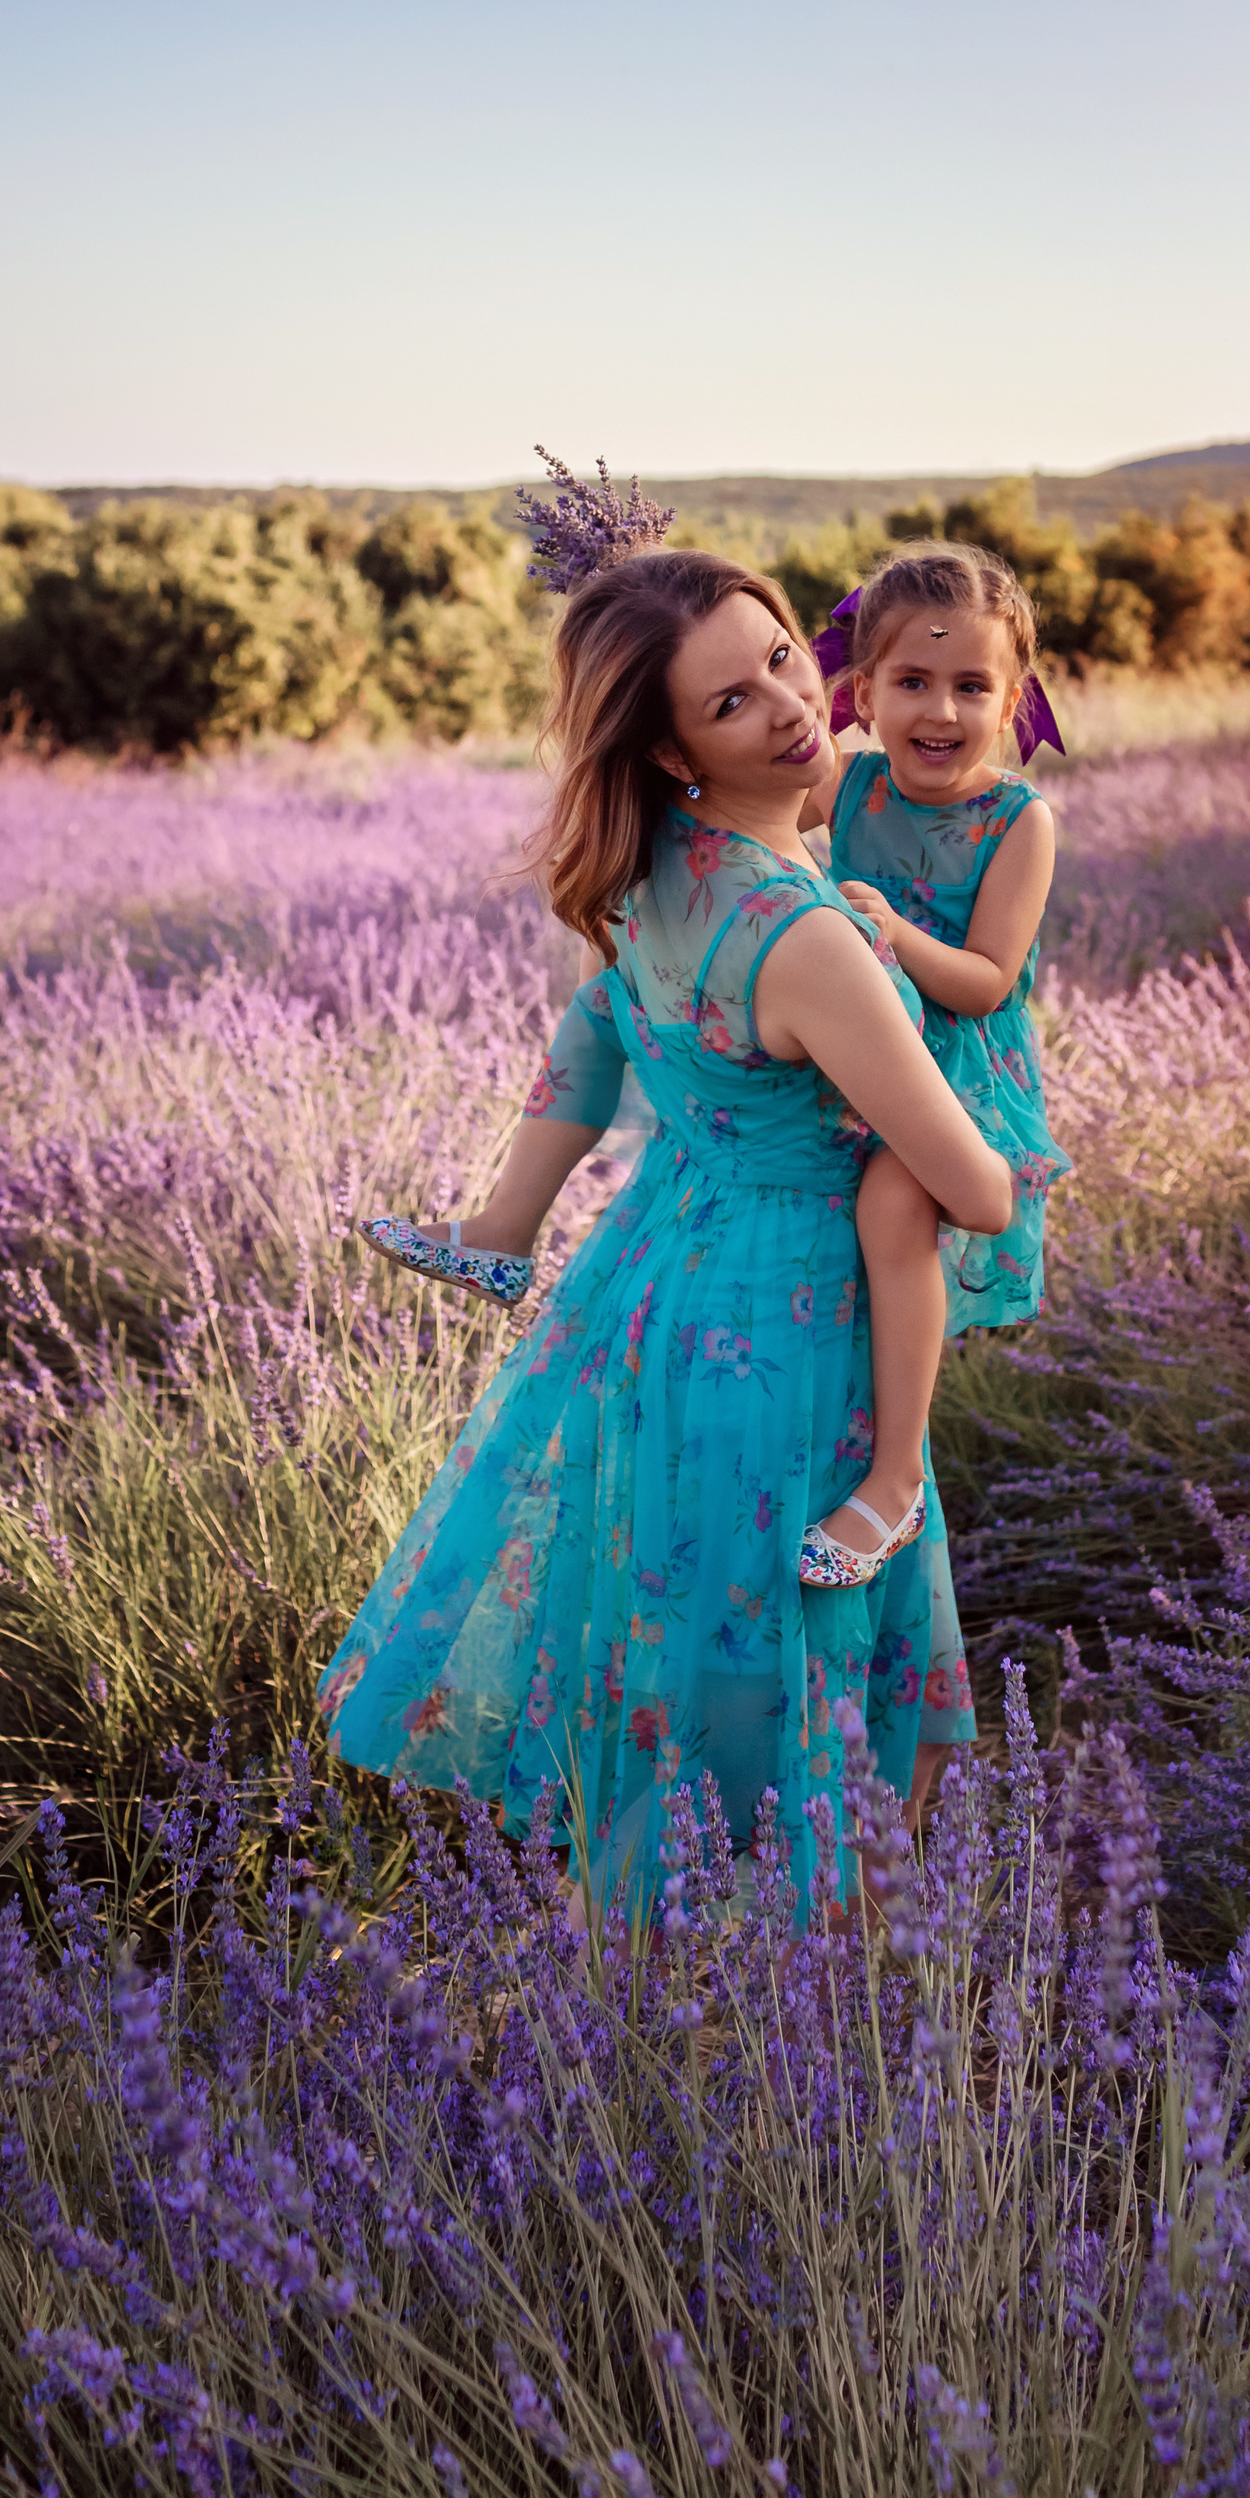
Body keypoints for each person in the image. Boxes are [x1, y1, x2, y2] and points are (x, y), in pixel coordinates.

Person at [330, 472, 1012, 1915]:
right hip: (799, 1322)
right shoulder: (802, 935)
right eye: (731, 703)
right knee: (805, 1681)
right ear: (670, 752)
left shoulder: (660, 876)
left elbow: (592, 1046)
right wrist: (987, 1127)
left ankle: (664, 1979)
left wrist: (512, 1214)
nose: (787, 707)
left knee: (681, 1650)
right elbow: (977, 1191)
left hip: (657, 1290)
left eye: (780, 656)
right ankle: (809, 2014)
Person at [811, 544, 1069, 1418]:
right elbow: (738, 796)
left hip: (956, 1072)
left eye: (972, 685)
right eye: (912, 680)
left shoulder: (1018, 821)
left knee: (893, 1202)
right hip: (851, 1046)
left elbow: (989, 982)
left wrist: (890, 932)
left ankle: (897, 1448)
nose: (941, 709)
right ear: (863, 692)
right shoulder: (848, 785)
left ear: (1010, 702)